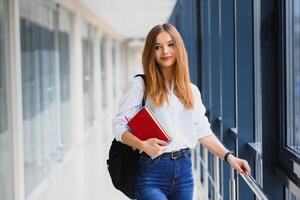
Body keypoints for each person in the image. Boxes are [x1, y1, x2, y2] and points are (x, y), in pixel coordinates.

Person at [112, 23, 251, 200]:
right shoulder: (140, 85)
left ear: (178, 48)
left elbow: (202, 131)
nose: (165, 51)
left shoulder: (190, 90)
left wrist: (230, 157)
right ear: (151, 52)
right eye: (157, 47)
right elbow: (118, 126)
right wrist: (143, 145)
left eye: (170, 44)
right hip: (151, 171)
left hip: (184, 172)